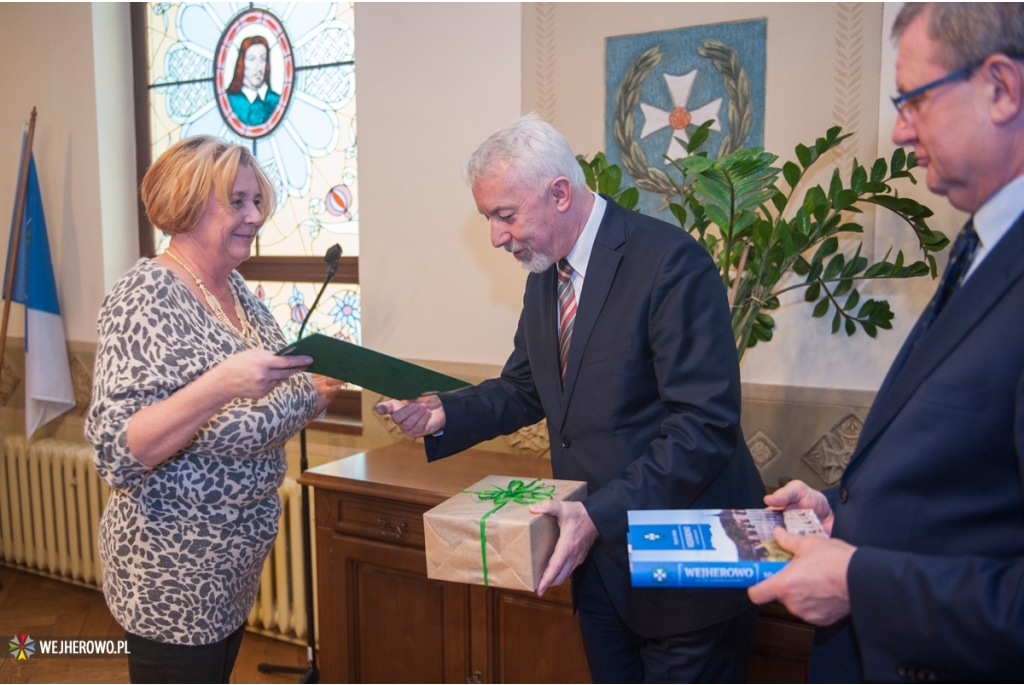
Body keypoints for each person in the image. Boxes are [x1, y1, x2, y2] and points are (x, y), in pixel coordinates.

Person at [377, 114, 766, 683]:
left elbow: (702, 429)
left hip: (686, 567)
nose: (496, 237)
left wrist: (596, 514)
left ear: (560, 193)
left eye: (505, 215)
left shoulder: (669, 263)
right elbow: (525, 387)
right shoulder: (546, 274)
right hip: (600, 562)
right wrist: (443, 412)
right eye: (489, 218)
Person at [747, 3, 1024, 682]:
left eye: (914, 102)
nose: (900, 131)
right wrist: (838, 512)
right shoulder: (982, 246)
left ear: (1000, 88)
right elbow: (966, 487)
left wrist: (861, 581)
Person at [86, 135, 342, 683]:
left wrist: (314, 394)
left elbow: (266, 401)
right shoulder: (147, 294)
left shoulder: (235, 290)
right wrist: (219, 385)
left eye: (257, 201)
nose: (255, 216)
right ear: (187, 204)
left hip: (231, 571)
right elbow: (116, 453)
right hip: (172, 576)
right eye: (239, 202)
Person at [226, 36, 280, 127]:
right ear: (241, 63)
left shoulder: (277, 101)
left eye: (263, 59)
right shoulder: (228, 100)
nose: (258, 67)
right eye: (251, 59)